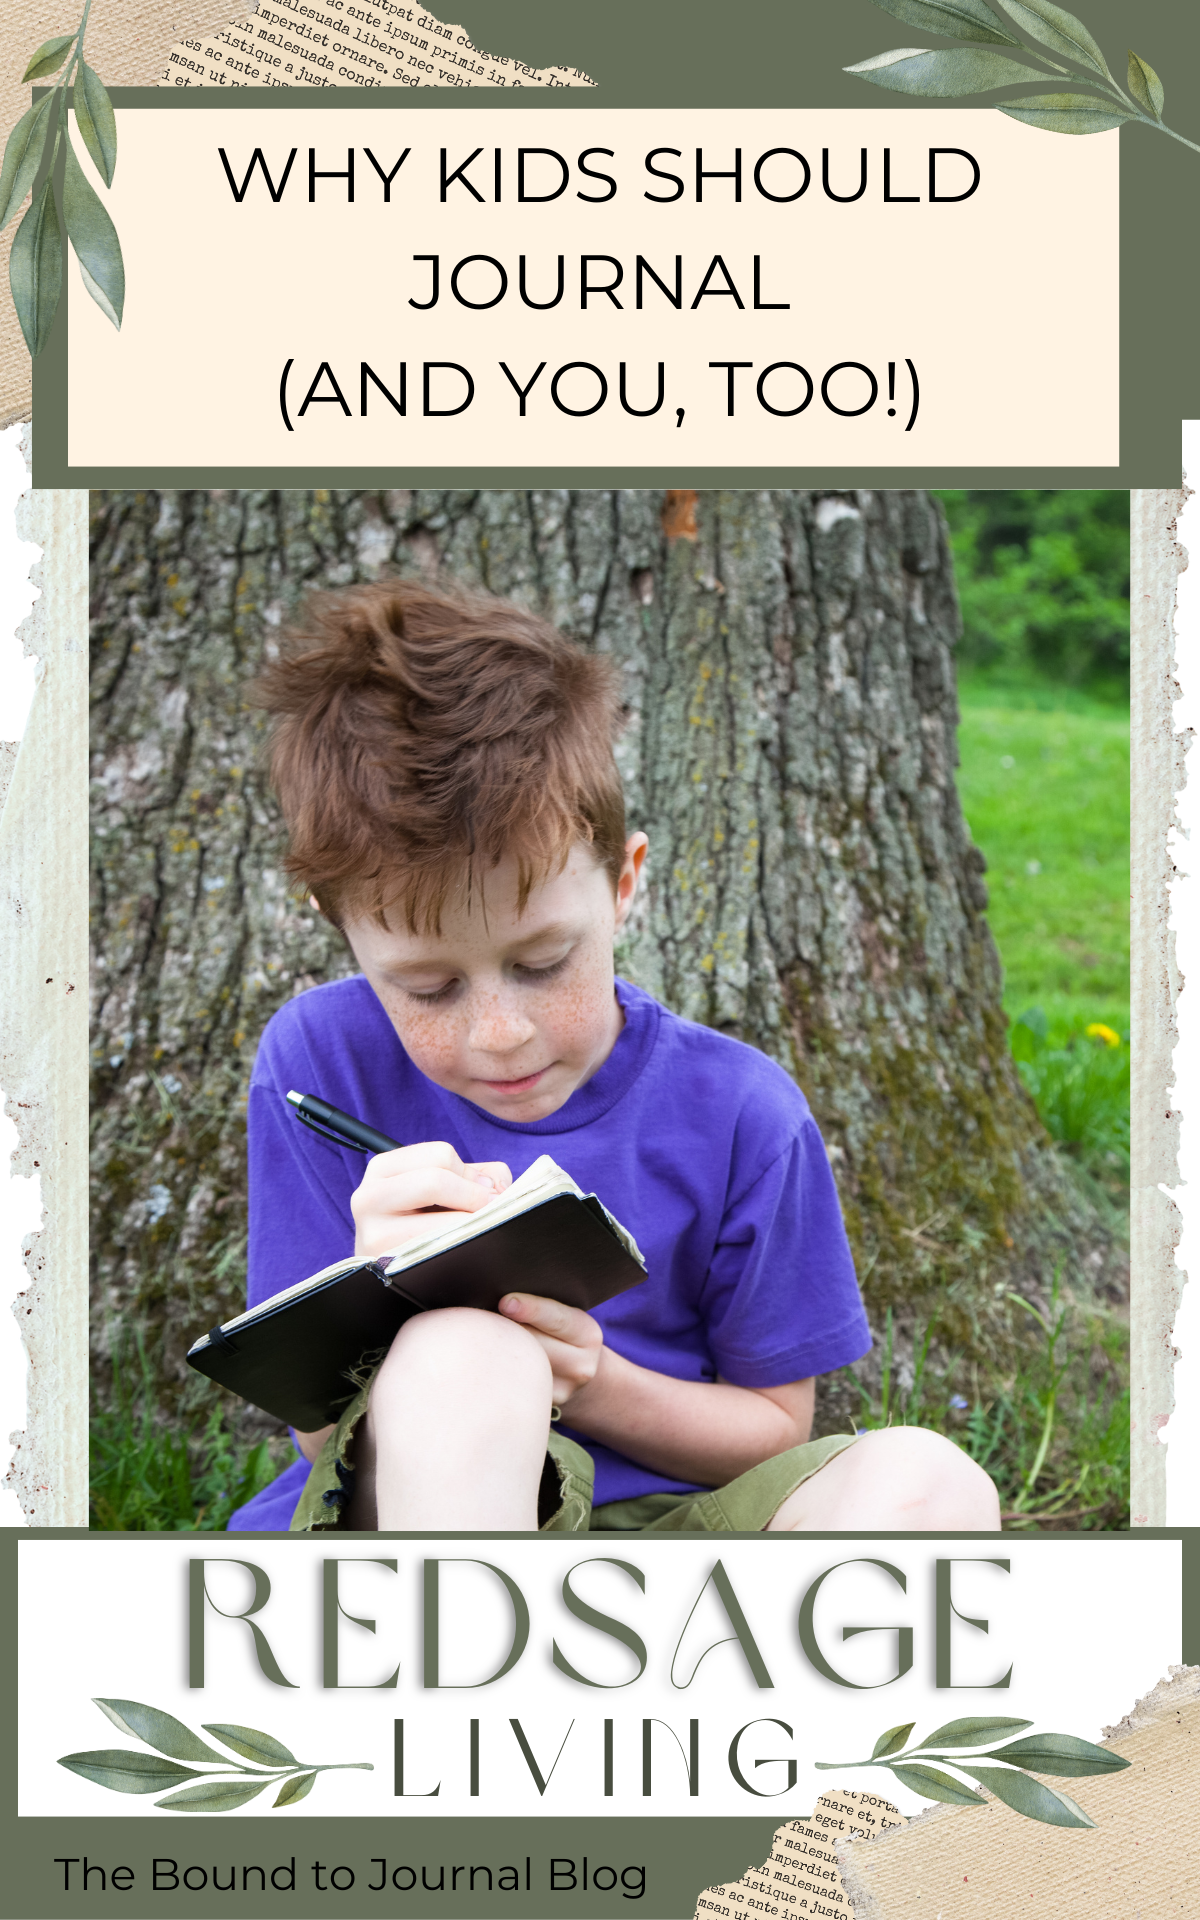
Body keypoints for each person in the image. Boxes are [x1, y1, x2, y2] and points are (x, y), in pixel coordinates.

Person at [229, 579, 1000, 1535]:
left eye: (544, 961)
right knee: (469, 1356)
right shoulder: (318, 1062)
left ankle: (654, 1670)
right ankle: (472, 1675)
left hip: (673, 1532)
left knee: (933, 1479)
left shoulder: (742, 1114)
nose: (500, 1031)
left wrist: (589, 1379)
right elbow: (315, 1439)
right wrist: (361, 1296)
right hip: (406, 1525)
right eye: (429, 988)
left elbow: (776, 1427)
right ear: (340, 929)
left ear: (625, 883)